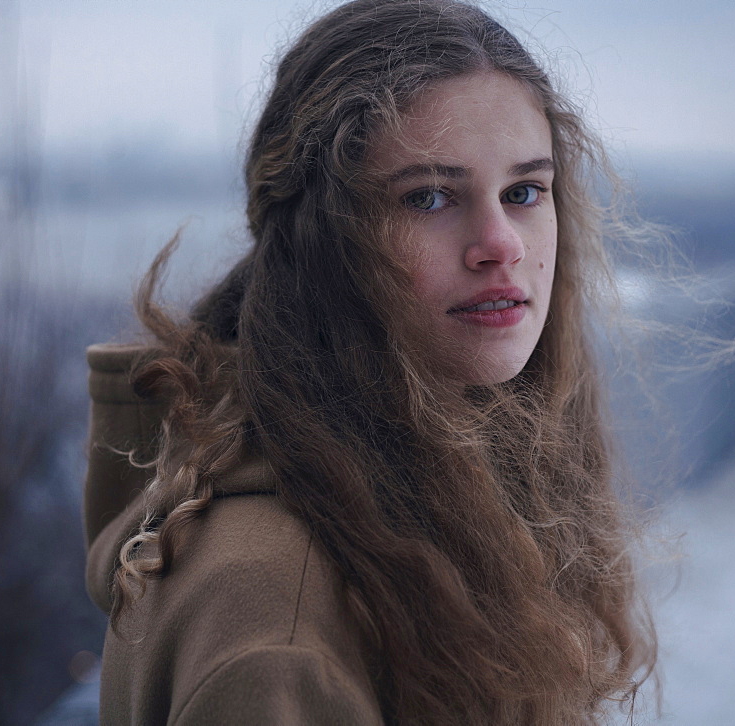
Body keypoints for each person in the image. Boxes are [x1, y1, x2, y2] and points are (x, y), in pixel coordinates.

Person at [83, 0, 657, 723]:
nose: (501, 243)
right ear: (323, 239)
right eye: (429, 197)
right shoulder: (275, 637)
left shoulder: (443, 491)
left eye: (523, 192)